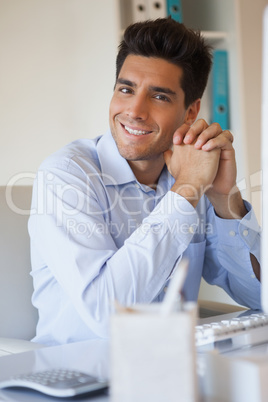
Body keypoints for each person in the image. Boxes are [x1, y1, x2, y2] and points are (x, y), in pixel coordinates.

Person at [28, 18, 261, 346]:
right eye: (126, 89)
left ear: (191, 111)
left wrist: (225, 200)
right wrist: (187, 190)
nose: (135, 110)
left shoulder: (190, 174)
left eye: (160, 97)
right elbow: (108, 315)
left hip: (170, 372)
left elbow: (259, 294)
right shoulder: (66, 175)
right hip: (78, 379)